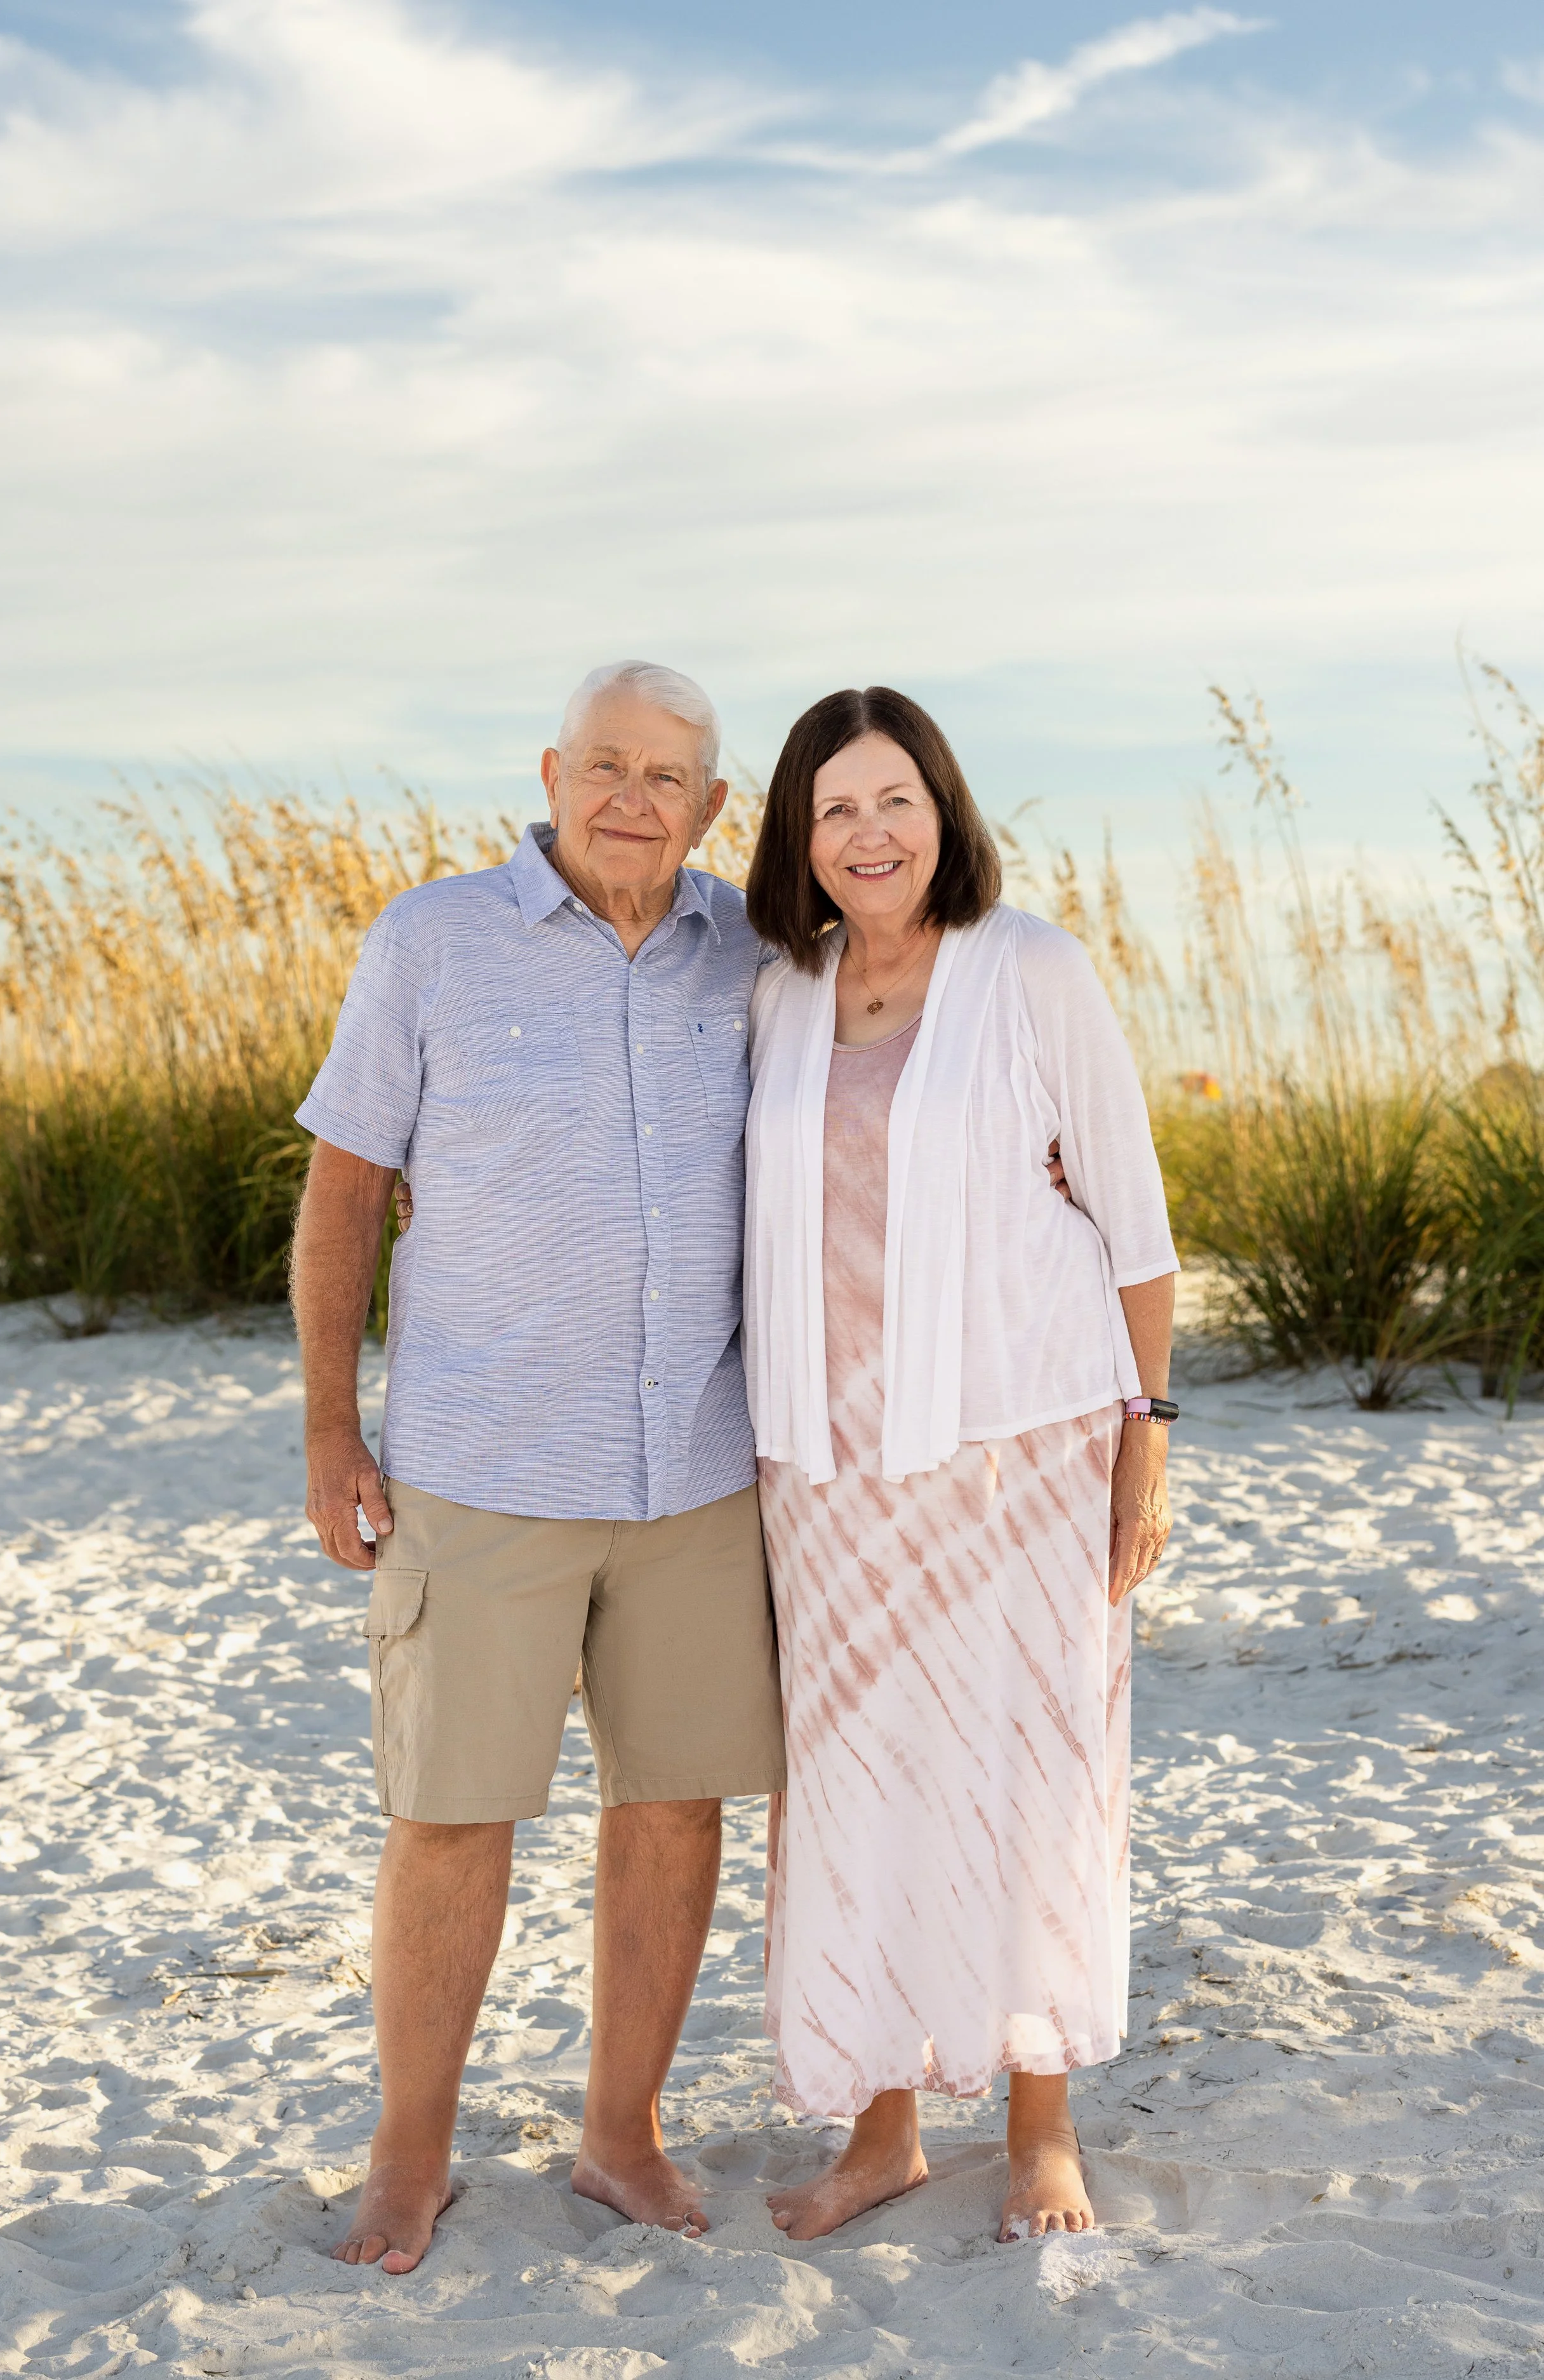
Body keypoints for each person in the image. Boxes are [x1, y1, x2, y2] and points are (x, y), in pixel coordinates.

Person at [290, 660, 786, 2273]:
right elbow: (347, 1190)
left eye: (667, 776)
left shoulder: (758, 959)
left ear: (714, 807)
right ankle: (409, 2154)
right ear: (551, 769)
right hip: (480, 1468)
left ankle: (619, 2130)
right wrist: (325, 1424)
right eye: (604, 764)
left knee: (672, 1805)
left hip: (697, 1472)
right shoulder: (429, 941)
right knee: (450, 1815)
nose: (630, 797)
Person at [741, 686, 1178, 2244]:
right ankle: (879, 2131)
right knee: (853, 1789)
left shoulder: (1030, 970)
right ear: (801, 835)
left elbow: (1130, 1220)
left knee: (1028, 1774)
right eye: (835, 808)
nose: (869, 833)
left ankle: (1039, 2124)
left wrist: (1149, 1434)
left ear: (944, 812)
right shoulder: (778, 988)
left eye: (895, 800)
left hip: (1021, 1448)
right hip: (826, 1466)